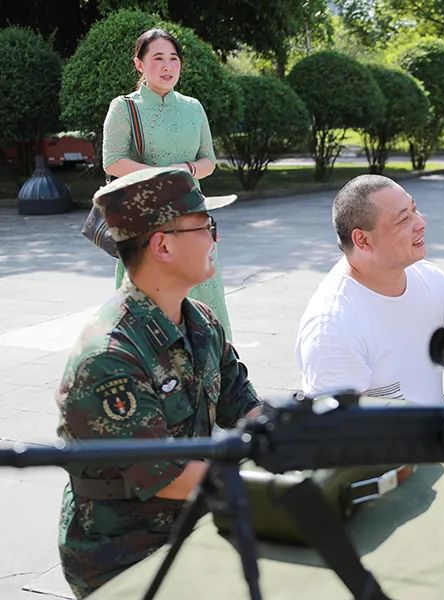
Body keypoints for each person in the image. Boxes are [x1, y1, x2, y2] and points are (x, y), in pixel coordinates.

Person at [56, 168, 263, 598]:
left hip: (190, 525)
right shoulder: (109, 357)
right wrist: (279, 485)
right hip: (122, 554)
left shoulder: (200, 322)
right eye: (206, 227)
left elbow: (244, 407)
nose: (215, 240)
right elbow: (165, 475)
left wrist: (307, 436)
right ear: (163, 245)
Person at [295, 175, 444, 405]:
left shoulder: (431, 278)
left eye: (415, 210)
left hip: (438, 431)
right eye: (403, 219)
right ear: (362, 240)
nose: (421, 223)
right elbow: (337, 432)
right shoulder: (332, 326)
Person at [102, 27, 233, 339]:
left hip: (193, 218)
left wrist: (185, 168)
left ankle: (215, 368)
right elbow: (113, 160)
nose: (167, 66)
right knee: (153, 299)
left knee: (203, 293)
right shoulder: (125, 107)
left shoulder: (193, 107)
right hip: (148, 220)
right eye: (158, 58)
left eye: (174, 59)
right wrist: (162, 177)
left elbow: (209, 161)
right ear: (139, 64)